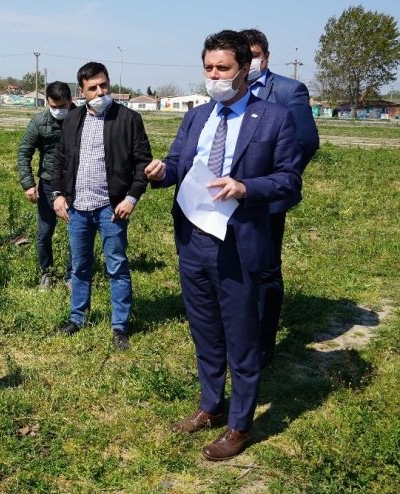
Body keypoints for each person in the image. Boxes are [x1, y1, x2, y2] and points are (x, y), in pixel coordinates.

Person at [145, 30, 302, 460]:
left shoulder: (273, 118)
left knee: (242, 336)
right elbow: (180, 162)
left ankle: (239, 424)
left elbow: (290, 178)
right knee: (206, 331)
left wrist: (244, 187)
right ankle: (211, 407)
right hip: (193, 238)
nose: (214, 75)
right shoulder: (197, 116)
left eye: (223, 68)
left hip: (238, 242)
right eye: (208, 68)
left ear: (244, 70)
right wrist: (162, 172)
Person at [51, 62, 152, 351]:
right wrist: (58, 195)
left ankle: (119, 326)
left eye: (103, 85)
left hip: (111, 208)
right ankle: (77, 318)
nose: (100, 91)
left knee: (117, 267)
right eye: (92, 88)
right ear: (81, 92)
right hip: (78, 209)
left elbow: (143, 162)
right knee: (80, 267)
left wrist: (131, 197)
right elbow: (59, 160)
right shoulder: (72, 120)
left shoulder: (128, 119)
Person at [240, 28, 320, 368]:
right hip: (232, 197)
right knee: (239, 266)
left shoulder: (288, 91)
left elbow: (306, 142)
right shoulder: (232, 91)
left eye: (255, 54)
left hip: (268, 199)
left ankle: (264, 345)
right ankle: (240, 332)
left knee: (267, 270)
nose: (251, 61)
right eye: (245, 56)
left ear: (266, 57)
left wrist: (278, 180)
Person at [17, 81, 76, 291]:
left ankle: (72, 275)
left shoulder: (82, 118)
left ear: (71, 100)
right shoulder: (39, 121)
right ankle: (47, 272)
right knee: (44, 232)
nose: (58, 111)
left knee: (76, 232)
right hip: (48, 184)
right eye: (53, 106)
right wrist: (28, 184)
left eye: (62, 106)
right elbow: (24, 151)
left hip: (76, 185)